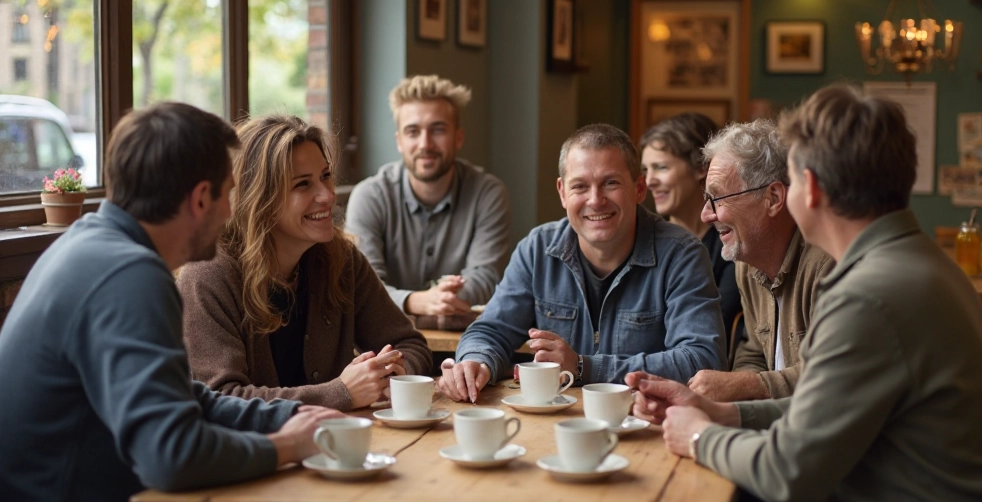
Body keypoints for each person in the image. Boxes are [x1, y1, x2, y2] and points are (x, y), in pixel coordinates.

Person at [633, 84, 982, 502]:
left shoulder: (869, 296)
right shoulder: (913, 264)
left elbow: (791, 472)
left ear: (806, 189)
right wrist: (721, 414)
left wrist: (700, 437)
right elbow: (816, 417)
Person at [0, 102, 344, 502]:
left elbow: (186, 399)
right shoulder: (129, 277)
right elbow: (172, 457)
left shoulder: (90, 243)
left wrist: (290, 416)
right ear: (201, 198)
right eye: (229, 193)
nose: (232, 211)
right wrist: (283, 447)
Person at [439, 123, 725, 403]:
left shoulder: (681, 253)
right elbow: (491, 329)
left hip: (646, 425)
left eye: (610, 183)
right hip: (555, 424)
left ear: (639, 188)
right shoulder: (537, 249)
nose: (595, 200)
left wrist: (584, 367)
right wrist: (475, 362)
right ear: (562, 192)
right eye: (580, 186)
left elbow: (702, 359)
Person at [177, 115, 432, 412]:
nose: (327, 195)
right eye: (303, 185)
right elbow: (220, 399)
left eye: (325, 176)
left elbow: (410, 345)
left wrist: (390, 374)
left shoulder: (341, 258)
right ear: (260, 198)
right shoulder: (208, 275)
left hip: (335, 445)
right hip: (254, 455)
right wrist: (340, 392)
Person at [687, 119, 834, 402]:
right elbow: (753, 352)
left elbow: (832, 378)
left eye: (717, 198)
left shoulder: (827, 266)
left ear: (773, 198)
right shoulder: (747, 264)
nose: (706, 215)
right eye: (707, 199)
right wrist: (735, 388)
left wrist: (743, 388)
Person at [345, 74, 510, 317]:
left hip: (462, 340)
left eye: (438, 129)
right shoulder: (369, 196)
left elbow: (485, 277)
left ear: (458, 137)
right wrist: (413, 301)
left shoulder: (488, 194)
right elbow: (363, 285)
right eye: (413, 132)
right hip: (384, 342)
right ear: (399, 141)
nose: (425, 143)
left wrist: (440, 300)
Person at [638, 113, 741, 351]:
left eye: (661, 167)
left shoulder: (731, 242)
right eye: (646, 170)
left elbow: (717, 326)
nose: (649, 181)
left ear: (700, 168)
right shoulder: (643, 241)